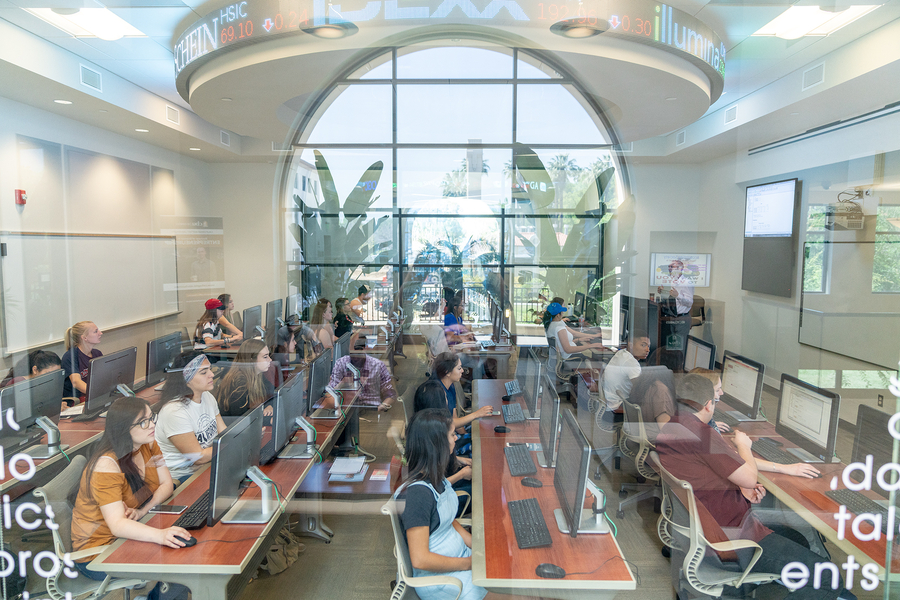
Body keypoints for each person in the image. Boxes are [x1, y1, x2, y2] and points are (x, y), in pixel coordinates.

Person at [655, 375, 852, 600]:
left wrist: (738, 492)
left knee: (797, 539)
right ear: (709, 404)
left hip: (710, 528)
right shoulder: (703, 435)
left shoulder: (673, 426)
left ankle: (744, 587)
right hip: (731, 539)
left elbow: (702, 473)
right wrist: (743, 446)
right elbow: (749, 477)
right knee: (827, 576)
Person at [71, 396, 191, 600]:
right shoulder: (106, 465)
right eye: (144, 422)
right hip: (99, 552)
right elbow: (118, 525)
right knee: (177, 563)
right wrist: (160, 535)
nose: (152, 425)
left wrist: (143, 511)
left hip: (129, 532)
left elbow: (167, 484)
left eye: (151, 418)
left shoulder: (148, 444)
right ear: (124, 429)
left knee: (181, 552)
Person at [396, 408, 487, 600]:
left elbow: (447, 520)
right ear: (436, 443)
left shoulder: (435, 477)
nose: (456, 438)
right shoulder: (418, 495)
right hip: (443, 580)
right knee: (521, 592)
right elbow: (420, 559)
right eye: (452, 434)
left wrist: (478, 547)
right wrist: (469, 563)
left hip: (461, 560)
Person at [155, 352, 226, 483]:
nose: (211, 374)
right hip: (182, 478)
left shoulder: (207, 396)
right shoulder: (174, 412)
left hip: (207, 465)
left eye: (209, 369)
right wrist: (229, 444)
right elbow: (198, 457)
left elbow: (224, 433)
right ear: (186, 380)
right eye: (203, 372)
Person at [328, 344, 397, 411]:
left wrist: (383, 406)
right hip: (348, 409)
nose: (355, 357)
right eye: (352, 352)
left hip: (371, 409)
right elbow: (332, 390)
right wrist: (342, 384)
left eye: (358, 352)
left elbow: (390, 393)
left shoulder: (377, 365)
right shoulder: (341, 363)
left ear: (365, 349)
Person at [216, 339, 275, 417]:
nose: (270, 360)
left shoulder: (257, 374)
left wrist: (270, 405)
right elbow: (241, 419)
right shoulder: (239, 384)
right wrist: (268, 420)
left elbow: (273, 394)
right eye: (265, 357)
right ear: (252, 359)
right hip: (235, 426)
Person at [413, 379, 493, 433]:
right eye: (445, 398)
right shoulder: (436, 425)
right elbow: (451, 424)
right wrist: (476, 414)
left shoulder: (426, 421)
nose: (462, 370)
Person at [600, 329, 650, 410]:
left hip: (609, 401)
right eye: (643, 345)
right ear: (630, 345)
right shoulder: (631, 362)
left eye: (648, 346)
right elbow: (640, 389)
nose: (647, 350)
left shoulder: (622, 353)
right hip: (617, 405)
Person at [657, 259, 693, 354]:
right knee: (671, 347)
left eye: (672, 266)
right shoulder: (670, 281)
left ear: (680, 269)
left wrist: (678, 295)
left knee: (679, 348)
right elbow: (670, 300)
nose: (669, 268)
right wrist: (662, 292)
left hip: (682, 318)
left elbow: (689, 302)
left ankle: (679, 367)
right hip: (670, 317)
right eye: (669, 266)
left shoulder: (687, 283)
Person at [61, 321, 103, 402]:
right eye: (95, 331)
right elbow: (76, 382)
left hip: (92, 397)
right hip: (77, 401)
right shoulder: (70, 357)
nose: (100, 333)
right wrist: (99, 393)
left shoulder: (97, 353)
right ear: (84, 338)